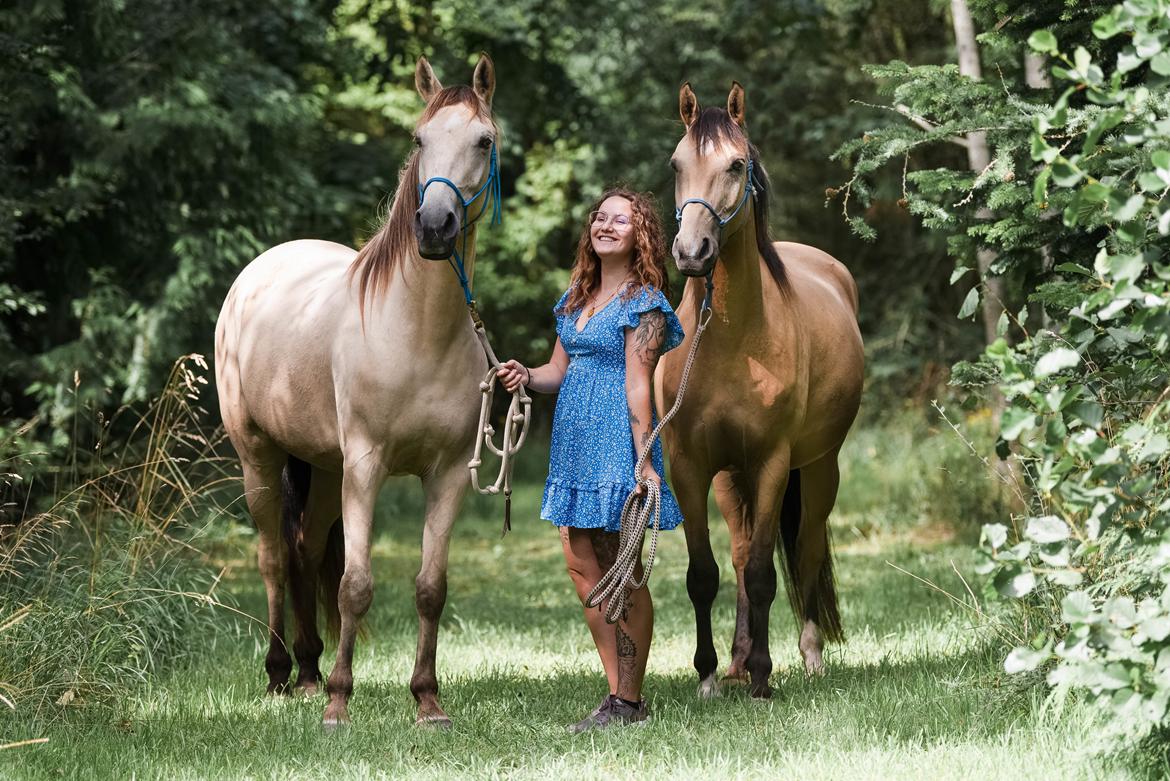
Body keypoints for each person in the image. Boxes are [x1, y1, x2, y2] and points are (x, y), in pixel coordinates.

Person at [497, 187, 685, 733]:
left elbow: (637, 384)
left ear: (639, 234)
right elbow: (558, 371)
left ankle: (630, 701)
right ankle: (615, 694)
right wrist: (525, 376)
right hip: (572, 446)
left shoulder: (644, 302)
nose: (606, 226)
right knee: (582, 565)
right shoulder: (577, 296)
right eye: (601, 218)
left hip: (614, 447)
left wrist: (644, 458)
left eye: (620, 220)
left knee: (618, 570)